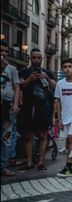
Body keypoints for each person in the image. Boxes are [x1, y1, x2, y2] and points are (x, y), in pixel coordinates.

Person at [17, 48, 56, 171]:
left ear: (42, 59)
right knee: (28, 135)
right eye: (34, 58)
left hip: (43, 107)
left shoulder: (47, 72)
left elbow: (55, 87)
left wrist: (47, 79)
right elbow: (20, 86)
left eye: (38, 58)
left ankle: (41, 162)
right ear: (30, 58)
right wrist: (30, 78)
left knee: (43, 135)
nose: (36, 60)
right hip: (27, 106)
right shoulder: (24, 71)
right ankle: (29, 162)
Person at [1, 42, 20, 176]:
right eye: (1, 51)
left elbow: (17, 87)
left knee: (6, 137)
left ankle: (3, 165)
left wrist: (15, 104)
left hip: (7, 107)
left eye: (6, 51)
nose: (4, 54)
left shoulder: (12, 69)